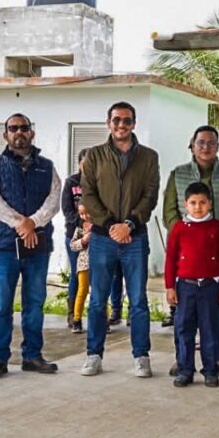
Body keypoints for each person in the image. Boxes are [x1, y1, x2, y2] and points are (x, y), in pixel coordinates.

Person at [79, 101, 161, 377]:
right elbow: (88, 194)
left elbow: (150, 196)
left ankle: (141, 356)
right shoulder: (94, 155)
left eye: (126, 121)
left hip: (135, 237)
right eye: (116, 120)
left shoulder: (149, 157)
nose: (121, 125)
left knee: (137, 300)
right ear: (108, 123)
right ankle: (93, 355)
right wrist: (111, 225)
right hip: (103, 239)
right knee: (97, 300)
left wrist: (129, 224)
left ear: (134, 124)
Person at [162, 125, 219, 376]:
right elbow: (168, 210)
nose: (205, 147)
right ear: (192, 144)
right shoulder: (178, 174)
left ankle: (218, 359)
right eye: (200, 142)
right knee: (184, 315)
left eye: (211, 143)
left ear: (217, 147)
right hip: (186, 258)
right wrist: (183, 234)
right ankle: (183, 360)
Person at [0, 113, 62, 379]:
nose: (19, 132)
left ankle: (32, 356)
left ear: (32, 133)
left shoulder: (47, 167)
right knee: (2, 304)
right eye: (13, 128)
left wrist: (33, 223)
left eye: (24, 128)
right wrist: (20, 224)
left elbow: (53, 201)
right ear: (5, 135)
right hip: (5, 246)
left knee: (35, 302)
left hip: (37, 246)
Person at [165, 182, 219, 388]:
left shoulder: (217, 228)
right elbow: (170, 260)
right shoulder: (178, 229)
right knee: (184, 329)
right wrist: (170, 287)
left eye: (202, 202)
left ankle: (211, 370)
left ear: (210, 204)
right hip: (185, 287)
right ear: (185, 204)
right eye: (193, 203)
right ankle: (185, 369)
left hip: (210, 287)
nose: (198, 207)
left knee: (209, 329)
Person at [63, 149, 124, 328]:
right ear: (80, 163)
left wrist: (98, 225)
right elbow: (67, 210)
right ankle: (74, 315)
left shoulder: (102, 182)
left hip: (100, 234)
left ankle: (107, 315)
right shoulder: (71, 182)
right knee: (78, 277)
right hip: (76, 234)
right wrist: (83, 226)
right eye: (86, 162)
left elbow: (108, 208)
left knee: (104, 277)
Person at [69, 204, 94, 333]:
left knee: (100, 291)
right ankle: (77, 319)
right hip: (83, 264)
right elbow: (72, 245)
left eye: (87, 213)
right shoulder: (79, 229)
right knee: (82, 290)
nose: (85, 216)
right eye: (82, 214)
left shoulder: (100, 226)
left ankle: (103, 319)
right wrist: (83, 241)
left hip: (98, 264)